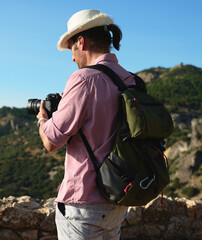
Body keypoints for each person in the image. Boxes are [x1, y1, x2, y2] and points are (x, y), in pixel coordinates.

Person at [36, 9, 136, 240]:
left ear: (80, 42)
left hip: (85, 205)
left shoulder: (84, 79)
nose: (72, 57)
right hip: (119, 200)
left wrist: (43, 118)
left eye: (71, 49)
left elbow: (51, 141)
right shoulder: (130, 80)